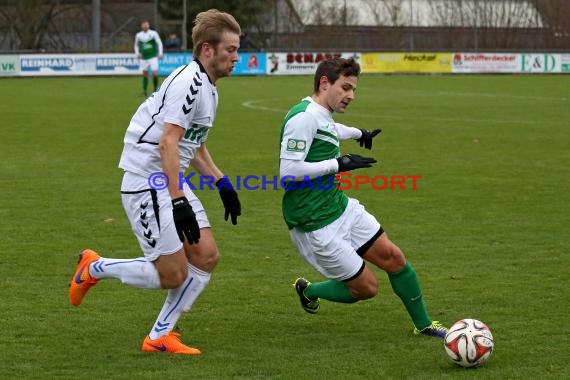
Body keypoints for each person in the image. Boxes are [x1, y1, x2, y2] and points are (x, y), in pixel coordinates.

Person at [69, 9, 242, 355]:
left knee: (205, 256)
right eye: (231, 50)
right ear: (207, 50)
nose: (237, 57)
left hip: (167, 177)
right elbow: (168, 142)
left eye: (238, 49)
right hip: (147, 179)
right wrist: (179, 202)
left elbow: (193, 146)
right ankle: (95, 267)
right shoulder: (188, 82)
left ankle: (160, 336)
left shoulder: (209, 88)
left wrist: (222, 183)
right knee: (172, 273)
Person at [279, 57, 448, 339]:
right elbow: (288, 172)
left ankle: (424, 324)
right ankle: (308, 289)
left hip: (338, 206)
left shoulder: (320, 114)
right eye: (345, 88)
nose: (351, 96)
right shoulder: (303, 118)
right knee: (366, 288)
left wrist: (360, 133)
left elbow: (331, 130)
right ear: (324, 82)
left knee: (394, 258)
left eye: (354, 90)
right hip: (314, 222)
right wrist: (340, 164)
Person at [134, 20, 163, 96]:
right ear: (141, 26)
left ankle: (155, 90)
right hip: (143, 58)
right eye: (143, 25)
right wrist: (137, 53)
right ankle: (144, 91)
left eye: (146, 25)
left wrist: (160, 53)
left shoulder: (153, 33)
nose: (145, 26)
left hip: (153, 57)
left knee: (155, 73)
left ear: (148, 25)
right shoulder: (138, 35)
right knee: (145, 74)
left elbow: (159, 43)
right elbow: (136, 45)